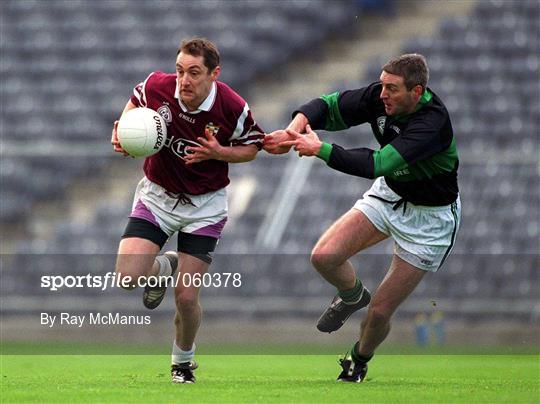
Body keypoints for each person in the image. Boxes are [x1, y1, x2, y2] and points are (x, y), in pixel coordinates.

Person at [264, 54, 460, 382]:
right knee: (324, 256)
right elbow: (327, 106)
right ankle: (353, 293)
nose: (382, 95)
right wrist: (295, 126)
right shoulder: (381, 97)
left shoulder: (432, 124)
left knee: (379, 313)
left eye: (392, 89)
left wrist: (319, 149)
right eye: (382, 86)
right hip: (391, 195)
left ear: (417, 91)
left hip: (429, 220)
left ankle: (359, 359)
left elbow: (377, 164)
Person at [111, 38, 264, 384]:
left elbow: (254, 146)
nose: (184, 80)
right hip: (157, 198)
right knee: (126, 278)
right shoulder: (157, 86)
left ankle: (182, 362)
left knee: (186, 296)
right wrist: (121, 129)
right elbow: (135, 101)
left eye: (194, 73)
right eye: (180, 71)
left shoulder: (232, 107)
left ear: (214, 74)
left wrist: (218, 153)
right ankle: (165, 266)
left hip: (204, 209)